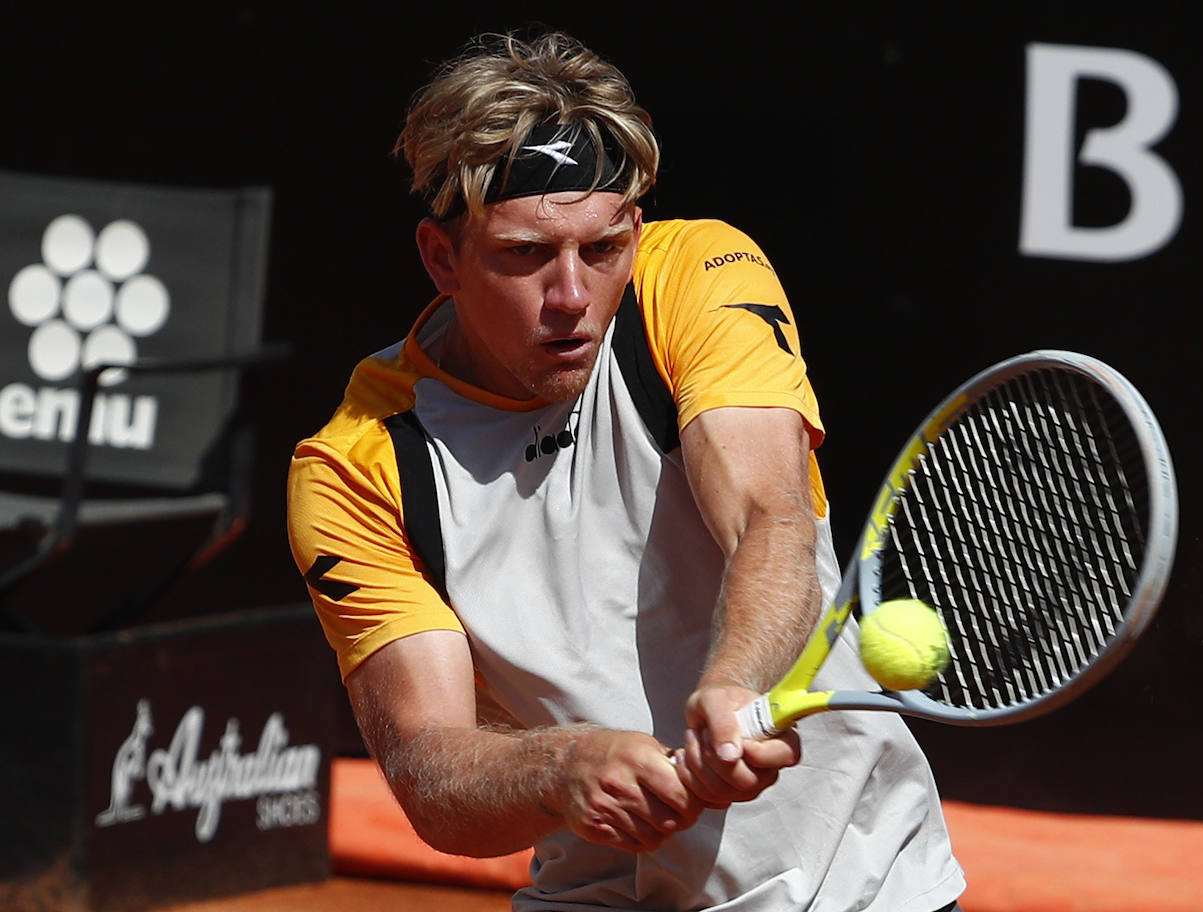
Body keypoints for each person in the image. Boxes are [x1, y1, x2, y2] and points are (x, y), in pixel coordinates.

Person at [287, 30, 965, 912]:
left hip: (859, 882)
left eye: (602, 249)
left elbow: (772, 519)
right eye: (525, 254)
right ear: (441, 257)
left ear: (635, 232)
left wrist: (732, 684)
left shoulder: (697, 276)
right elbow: (429, 771)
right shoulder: (356, 466)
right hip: (599, 894)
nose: (571, 296)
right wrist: (563, 765)